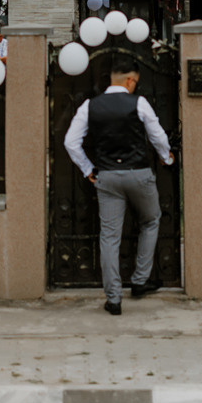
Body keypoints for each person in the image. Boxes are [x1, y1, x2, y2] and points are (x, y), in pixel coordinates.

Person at [63, 57, 174, 314]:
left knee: (110, 237)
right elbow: (157, 136)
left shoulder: (90, 106)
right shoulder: (139, 103)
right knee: (151, 220)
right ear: (130, 80)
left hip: (108, 177)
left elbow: (71, 142)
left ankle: (113, 299)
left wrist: (88, 168)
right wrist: (166, 156)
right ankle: (139, 281)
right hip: (139, 174)